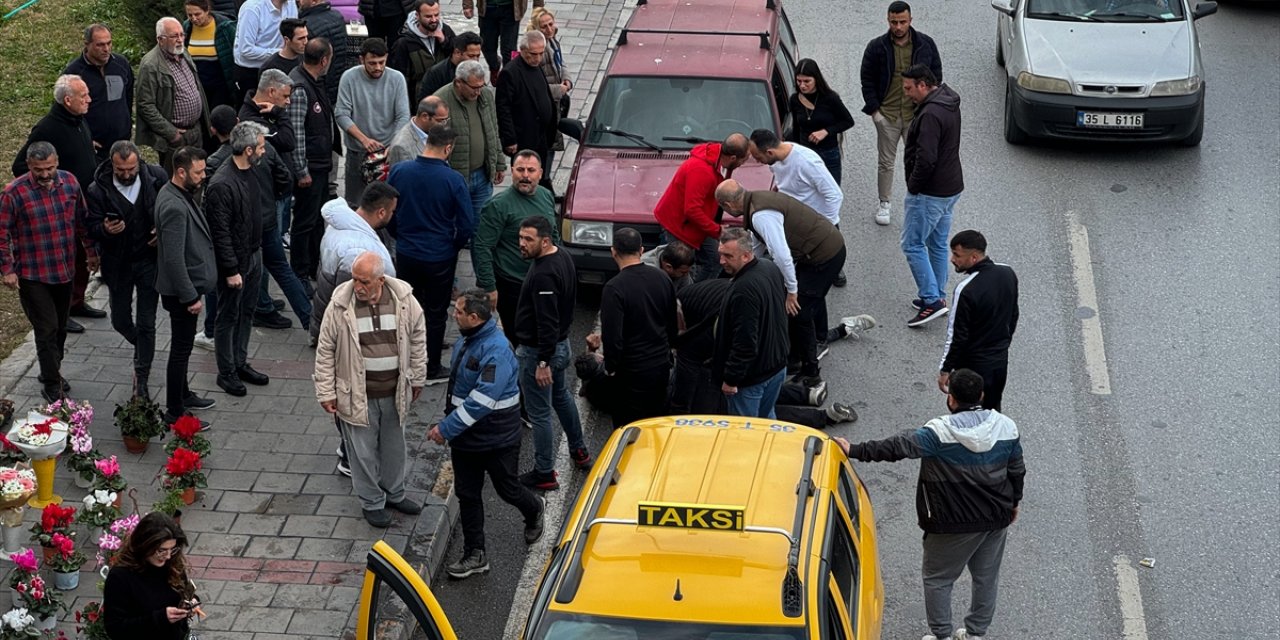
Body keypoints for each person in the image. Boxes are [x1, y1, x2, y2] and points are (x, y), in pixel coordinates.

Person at [834, 368, 1024, 640]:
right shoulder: (1006, 427)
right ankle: (975, 633)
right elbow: (1017, 470)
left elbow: (897, 447)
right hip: (996, 518)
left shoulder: (939, 433)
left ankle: (942, 635)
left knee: (938, 579)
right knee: (986, 578)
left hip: (951, 524)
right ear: (982, 395)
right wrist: (1014, 502)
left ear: (952, 400)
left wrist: (854, 449)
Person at [429, 290, 545, 579]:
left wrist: (446, 428)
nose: (453, 314)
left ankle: (534, 509)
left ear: (474, 317)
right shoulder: (470, 339)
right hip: (467, 439)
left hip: (497, 439)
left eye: (458, 311)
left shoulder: (495, 350)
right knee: (467, 494)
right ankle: (475, 553)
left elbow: (483, 400)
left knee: (507, 488)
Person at [315, 251, 426, 528]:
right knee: (362, 453)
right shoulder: (340, 305)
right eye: (355, 280)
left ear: (381, 279)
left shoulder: (404, 301)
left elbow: (417, 339)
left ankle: (394, 493)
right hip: (356, 394)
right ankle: (372, 502)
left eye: (364, 281)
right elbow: (325, 349)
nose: (358, 286)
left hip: (394, 391)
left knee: (394, 448)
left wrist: (418, 377)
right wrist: (326, 391)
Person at [716, 179, 845, 384]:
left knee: (798, 312)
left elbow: (782, 255)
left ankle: (811, 371)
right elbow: (756, 246)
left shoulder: (760, 215)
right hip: (817, 249)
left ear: (728, 206)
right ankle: (799, 354)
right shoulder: (756, 201)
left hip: (824, 256)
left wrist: (792, 291)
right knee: (805, 301)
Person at [0, 143, 98, 404]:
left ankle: (50, 369)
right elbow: (1, 234)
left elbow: (82, 221)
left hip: (64, 269)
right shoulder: (14, 192)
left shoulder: (69, 182)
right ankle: (53, 383)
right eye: (38, 170)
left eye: (50, 168)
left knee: (60, 328)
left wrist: (91, 252)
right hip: (32, 273)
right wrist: (7, 269)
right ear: (30, 166)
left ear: (57, 162)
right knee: (47, 328)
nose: (45, 174)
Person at [12, 75, 104, 331]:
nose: (89, 99)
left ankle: (77, 302)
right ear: (67, 100)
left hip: (84, 202)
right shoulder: (47, 128)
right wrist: (48, 187)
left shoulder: (79, 120)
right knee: (69, 257)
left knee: (83, 255)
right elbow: (20, 165)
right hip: (62, 206)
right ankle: (62, 314)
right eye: (83, 95)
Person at [386, 125, 475, 382]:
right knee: (436, 313)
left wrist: (399, 235)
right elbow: (466, 223)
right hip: (439, 257)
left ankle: (404, 359)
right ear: (448, 148)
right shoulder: (453, 180)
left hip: (407, 253)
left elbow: (389, 208)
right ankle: (432, 366)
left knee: (406, 307)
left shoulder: (400, 172)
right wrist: (453, 245)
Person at [84, 142, 168, 400]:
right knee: (120, 320)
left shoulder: (156, 178)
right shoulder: (97, 189)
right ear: (111, 164)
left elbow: (170, 210)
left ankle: (141, 381)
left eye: (131, 168)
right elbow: (91, 226)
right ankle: (144, 349)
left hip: (148, 262)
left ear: (139, 162)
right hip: (118, 265)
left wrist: (160, 230)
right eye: (121, 170)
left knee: (146, 322)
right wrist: (105, 231)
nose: (127, 174)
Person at [513, 215, 591, 491]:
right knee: (562, 397)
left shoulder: (544, 274)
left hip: (540, 351)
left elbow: (546, 320)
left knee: (540, 414)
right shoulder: (562, 256)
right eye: (521, 237)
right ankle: (579, 450)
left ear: (545, 241)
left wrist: (543, 361)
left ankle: (544, 471)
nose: (521, 244)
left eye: (528, 240)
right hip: (561, 344)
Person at [860, 0, 942, 226]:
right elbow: (866, 79)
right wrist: (875, 111)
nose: (898, 27)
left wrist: (927, 108)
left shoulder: (926, 45)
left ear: (910, 21)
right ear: (888, 21)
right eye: (894, 22)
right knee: (886, 163)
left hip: (916, 115)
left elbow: (936, 77)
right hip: (887, 114)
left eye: (902, 22)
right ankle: (884, 203)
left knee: (918, 161)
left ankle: (917, 203)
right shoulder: (876, 47)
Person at [205, 121, 271, 397]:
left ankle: (240, 362)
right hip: (236, 263)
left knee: (247, 312)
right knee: (228, 316)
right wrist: (231, 270)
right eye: (261, 146)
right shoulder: (222, 184)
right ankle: (226, 371)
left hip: (254, 254)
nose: (264, 151)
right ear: (248, 150)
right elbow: (220, 233)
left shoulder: (251, 172)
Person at [154, 146, 217, 427]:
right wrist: (190, 296)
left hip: (186, 289)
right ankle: (175, 411)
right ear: (181, 172)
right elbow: (174, 259)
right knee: (180, 350)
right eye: (198, 172)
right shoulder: (174, 207)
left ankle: (183, 393)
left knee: (184, 349)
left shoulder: (178, 193)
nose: (203, 176)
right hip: (182, 293)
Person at [901, 63, 963, 328]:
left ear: (923, 85)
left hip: (930, 192)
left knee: (912, 244)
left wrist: (913, 186)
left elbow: (926, 158)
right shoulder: (948, 102)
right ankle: (937, 294)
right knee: (937, 243)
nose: (907, 94)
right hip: (951, 187)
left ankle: (931, 300)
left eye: (909, 88)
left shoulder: (929, 115)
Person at [597, 228, 677, 428]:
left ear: (613, 251)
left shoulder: (614, 288)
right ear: (641, 250)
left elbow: (612, 336)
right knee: (655, 425)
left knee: (628, 429)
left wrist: (611, 367)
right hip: (660, 365)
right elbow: (672, 322)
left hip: (631, 372)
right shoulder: (662, 278)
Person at [471, 150, 554, 341]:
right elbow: (482, 247)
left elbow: (553, 234)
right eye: (520, 170)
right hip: (513, 285)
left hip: (543, 279)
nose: (525, 175)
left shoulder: (546, 196)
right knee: (520, 338)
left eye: (531, 170)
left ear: (540, 173)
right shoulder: (498, 205)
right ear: (512, 171)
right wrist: (490, 287)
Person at [711, 227, 788, 418]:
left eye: (728, 256)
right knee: (767, 421)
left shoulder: (743, 290)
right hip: (777, 366)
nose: (721, 261)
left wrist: (730, 379)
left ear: (746, 256)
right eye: (720, 254)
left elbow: (744, 342)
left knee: (745, 436)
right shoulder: (769, 267)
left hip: (752, 379)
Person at [652, 133, 749, 283]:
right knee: (680, 270)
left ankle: (698, 293)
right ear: (733, 158)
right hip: (679, 227)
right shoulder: (701, 170)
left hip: (698, 225)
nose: (744, 163)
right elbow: (692, 210)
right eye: (744, 159)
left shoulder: (719, 162)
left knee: (716, 260)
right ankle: (682, 297)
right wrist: (717, 230)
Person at [939, 231, 1018, 412]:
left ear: (974, 257)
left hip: (972, 369)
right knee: (992, 411)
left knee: (965, 416)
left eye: (957, 255)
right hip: (999, 364)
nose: (952, 259)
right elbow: (1013, 315)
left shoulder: (966, 290)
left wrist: (945, 370)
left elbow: (956, 336)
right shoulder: (1007, 273)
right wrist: (1003, 345)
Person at [287, 37, 339, 281]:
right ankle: (300, 272)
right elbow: (296, 133)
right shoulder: (300, 88)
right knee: (305, 223)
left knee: (318, 220)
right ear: (324, 60)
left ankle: (313, 267)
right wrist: (301, 170)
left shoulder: (315, 81)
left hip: (320, 164)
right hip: (310, 168)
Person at [102, 513, 201, 640]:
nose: (168, 556)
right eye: (161, 550)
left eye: (172, 549)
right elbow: (115, 628)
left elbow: (182, 592)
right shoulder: (120, 576)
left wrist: (191, 603)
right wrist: (160, 618)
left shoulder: (172, 563)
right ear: (145, 545)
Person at [336, 37, 410, 205]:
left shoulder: (396, 78)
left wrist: (393, 144)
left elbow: (403, 115)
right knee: (355, 203)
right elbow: (341, 114)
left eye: (381, 62)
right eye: (372, 63)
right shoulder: (349, 77)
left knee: (386, 202)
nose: (378, 67)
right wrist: (364, 140)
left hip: (387, 152)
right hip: (358, 151)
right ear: (362, 60)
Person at [137, 17, 211, 172]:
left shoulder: (184, 54)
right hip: (175, 137)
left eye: (181, 35)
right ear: (160, 39)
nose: (179, 40)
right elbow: (145, 105)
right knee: (176, 179)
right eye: (174, 36)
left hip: (195, 131)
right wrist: (172, 133)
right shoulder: (150, 65)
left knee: (197, 175)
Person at [434, 60, 505, 216]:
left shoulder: (485, 95)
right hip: (456, 177)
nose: (478, 92)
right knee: (457, 224)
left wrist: (499, 163)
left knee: (480, 225)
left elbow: (493, 130)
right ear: (459, 82)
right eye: (474, 87)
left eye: (481, 86)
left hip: (483, 175)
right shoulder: (440, 101)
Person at [65, 24, 136, 162]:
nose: (106, 49)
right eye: (100, 45)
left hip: (122, 143)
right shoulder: (73, 74)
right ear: (87, 44)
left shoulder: (121, 64)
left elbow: (128, 97)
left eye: (109, 43)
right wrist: (83, 140)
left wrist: (126, 126)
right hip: (94, 148)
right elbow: (65, 112)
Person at [496, 31, 557, 187]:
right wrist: (509, 139)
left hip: (541, 134)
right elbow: (503, 108)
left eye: (541, 53)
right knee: (527, 175)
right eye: (533, 54)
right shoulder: (510, 73)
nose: (537, 58)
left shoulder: (537, 66)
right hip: (524, 136)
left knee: (541, 172)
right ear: (522, 51)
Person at [748, 128, 843, 226]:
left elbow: (834, 195)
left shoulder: (807, 162)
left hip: (815, 227)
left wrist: (825, 226)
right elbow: (783, 185)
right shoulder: (775, 160)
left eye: (758, 158)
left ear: (770, 153)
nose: (757, 162)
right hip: (795, 222)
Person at [787, 58, 854, 185]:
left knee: (832, 194)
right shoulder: (795, 100)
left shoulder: (830, 98)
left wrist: (826, 131)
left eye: (807, 81)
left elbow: (848, 121)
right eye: (799, 81)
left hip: (828, 153)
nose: (802, 85)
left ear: (816, 79)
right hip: (805, 154)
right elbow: (796, 128)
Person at [527, 7, 571, 168]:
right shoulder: (539, 50)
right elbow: (535, 85)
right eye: (544, 26)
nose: (549, 29)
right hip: (547, 103)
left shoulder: (552, 40)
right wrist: (559, 90)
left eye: (550, 24)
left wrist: (567, 80)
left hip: (557, 100)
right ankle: (543, 177)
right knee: (547, 143)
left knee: (552, 141)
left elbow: (561, 63)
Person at [388, 0, 456, 105]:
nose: (434, 20)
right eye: (428, 16)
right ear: (417, 15)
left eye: (436, 15)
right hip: (419, 102)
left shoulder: (445, 31)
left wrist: (444, 41)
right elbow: (400, 79)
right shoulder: (404, 43)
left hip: (445, 97)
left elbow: (457, 57)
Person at [233, 0, 299, 99]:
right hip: (251, 73)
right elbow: (245, 50)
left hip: (278, 68)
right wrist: (279, 53)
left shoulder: (291, 3)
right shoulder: (251, 8)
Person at [464, 0, 544, 79]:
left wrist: (538, 6)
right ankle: (494, 66)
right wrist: (467, 5)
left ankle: (508, 78)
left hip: (511, 9)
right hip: (487, 8)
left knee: (509, 51)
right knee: (487, 47)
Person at [183, 0, 239, 112]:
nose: (194, 18)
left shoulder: (225, 26)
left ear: (207, 10)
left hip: (221, 86)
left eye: (197, 14)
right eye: (190, 15)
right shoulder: (186, 27)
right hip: (197, 86)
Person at [298, 0, 354, 107]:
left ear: (313, 1)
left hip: (319, 83)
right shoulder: (337, 16)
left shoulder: (307, 26)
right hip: (338, 80)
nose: (299, 1)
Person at [415, 31, 482, 104]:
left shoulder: (477, 71)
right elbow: (424, 103)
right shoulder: (436, 73)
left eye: (478, 56)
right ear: (457, 52)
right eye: (471, 56)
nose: (475, 60)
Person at [387, 95, 449, 165]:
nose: (444, 125)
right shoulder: (401, 147)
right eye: (440, 121)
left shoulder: (436, 132)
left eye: (446, 120)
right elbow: (403, 175)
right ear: (424, 117)